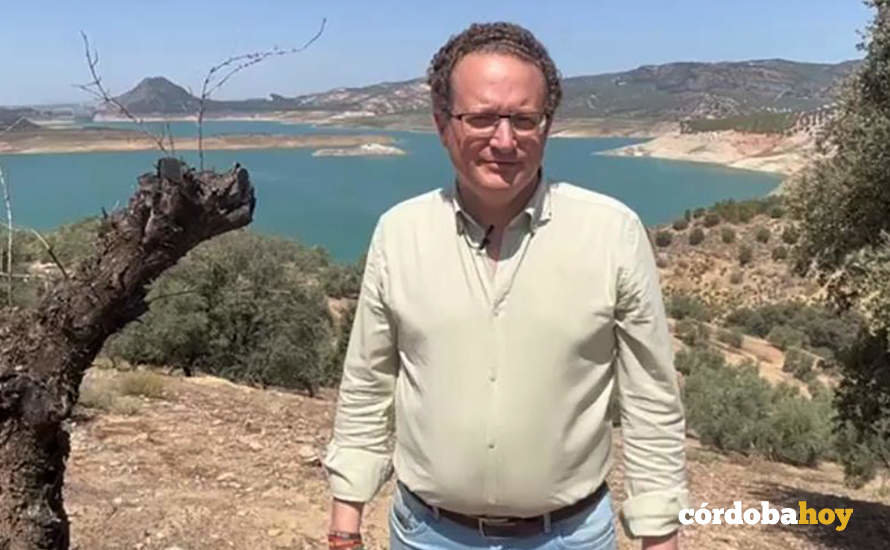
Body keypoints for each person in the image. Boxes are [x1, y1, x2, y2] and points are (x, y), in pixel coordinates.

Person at [322, 21, 689, 550]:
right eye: (482, 118)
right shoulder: (400, 233)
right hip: (426, 534)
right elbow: (367, 382)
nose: (504, 140)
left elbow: (650, 398)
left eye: (523, 119)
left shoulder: (613, 233)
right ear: (442, 124)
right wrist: (344, 523)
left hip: (571, 537)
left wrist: (659, 532)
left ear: (547, 123)